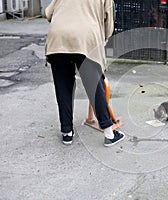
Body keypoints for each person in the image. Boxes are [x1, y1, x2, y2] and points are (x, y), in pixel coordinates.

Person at [45, 0, 125, 147]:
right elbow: (109, 24)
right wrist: (103, 38)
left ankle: (67, 133)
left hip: (58, 39)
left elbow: (48, 13)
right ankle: (109, 133)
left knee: (63, 86)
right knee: (94, 85)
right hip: (86, 38)